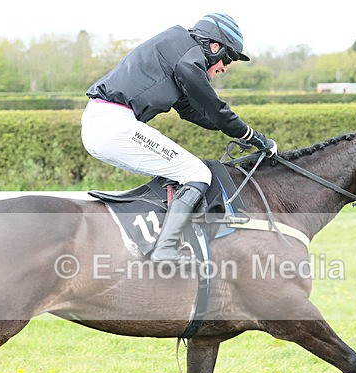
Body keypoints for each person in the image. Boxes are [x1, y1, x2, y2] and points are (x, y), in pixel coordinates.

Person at [82, 13, 277, 264]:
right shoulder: (188, 56)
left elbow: (192, 111)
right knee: (197, 174)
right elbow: (215, 108)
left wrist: (231, 130)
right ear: (214, 46)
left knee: (179, 171)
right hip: (114, 124)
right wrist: (256, 138)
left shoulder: (178, 52)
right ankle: (166, 248)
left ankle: (161, 234)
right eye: (227, 58)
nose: (225, 67)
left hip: (105, 123)